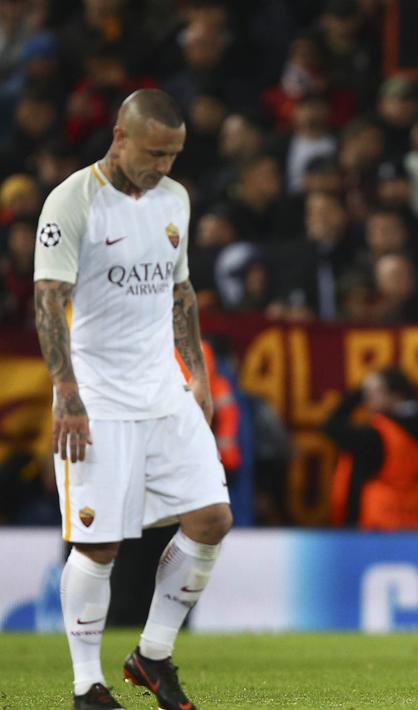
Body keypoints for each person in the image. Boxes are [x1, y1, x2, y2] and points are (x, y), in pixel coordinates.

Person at [33, 89, 231, 710]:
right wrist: (66, 391)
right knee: (99, 546)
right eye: (154, 153)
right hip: (98, 397)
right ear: (120, 138)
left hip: (164, 390)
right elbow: (48, 301)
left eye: (173, 155)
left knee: (211, 518)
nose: (163, 166)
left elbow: (180, 292)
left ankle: (151, 655)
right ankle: (86, 686)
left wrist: (197, 376)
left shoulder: (175, 199)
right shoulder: (72, 201)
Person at [325, 366, 418, 529]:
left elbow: (331, 426)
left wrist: (357, 394)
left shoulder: (377, 436)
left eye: (373, 392)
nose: (368, 398)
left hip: (382, 527)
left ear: (395, 395)